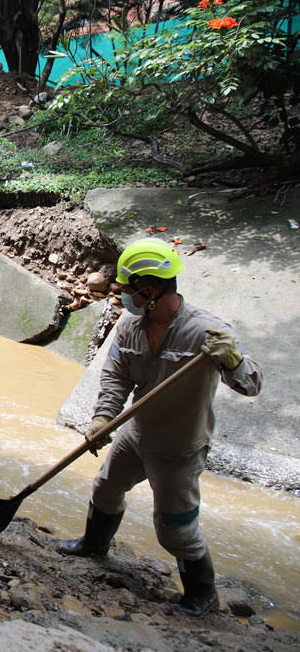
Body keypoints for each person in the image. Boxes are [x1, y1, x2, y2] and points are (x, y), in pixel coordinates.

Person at [58, 237, 262, 618]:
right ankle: (94, 543)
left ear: (149, 292)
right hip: (136, 433)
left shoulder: (208, 333)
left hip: (179, 447)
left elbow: (251, 385)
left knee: (174, 528)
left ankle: (203, 593)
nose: (123, 298)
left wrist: (233, 361)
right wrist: (103, 417)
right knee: (105, 488)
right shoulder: (130, 329)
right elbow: (116, 377)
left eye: (127, 291)